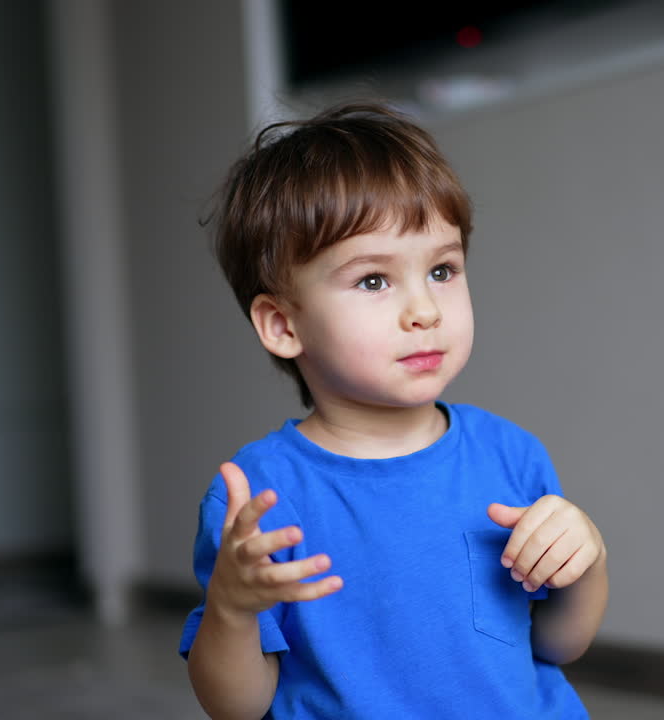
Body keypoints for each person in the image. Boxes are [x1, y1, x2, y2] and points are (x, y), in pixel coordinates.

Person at [179, 102, 609, 719]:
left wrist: (588, 558)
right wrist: (232, 608)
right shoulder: (258, 497)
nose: (425, 310)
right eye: (374, 281)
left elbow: (559, 643)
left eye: (442, 269)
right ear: (282, 324)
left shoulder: (510, 454)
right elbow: (236, 708)